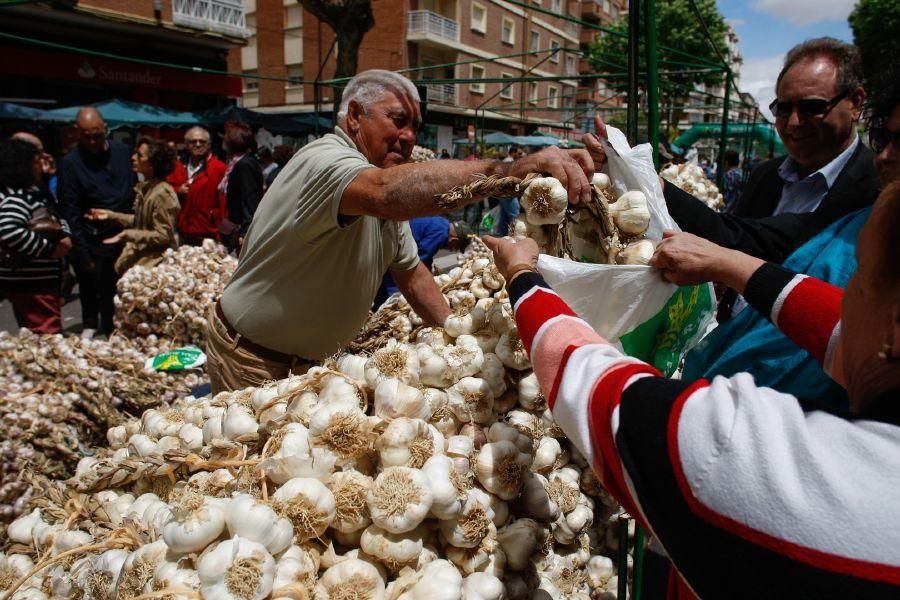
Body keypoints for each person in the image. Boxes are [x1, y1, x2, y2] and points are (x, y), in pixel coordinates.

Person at [482, 178, 900, 597]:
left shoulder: (757, 458)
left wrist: (522, 276)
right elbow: (837, 330)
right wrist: (729, 265)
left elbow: (604, 396)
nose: (844, 293)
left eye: (859, 274)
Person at [206, 69, 592, 393]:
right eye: (398, 120)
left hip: (308, 368)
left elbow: (412, 275)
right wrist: (506, 173)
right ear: (355, 116)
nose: (409, 137)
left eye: (416, 128)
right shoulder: (325, 161)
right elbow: (385, 194)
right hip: (250, 361)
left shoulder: (375, 185)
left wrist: (459, 338)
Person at [728, 38, 876, 219]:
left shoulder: (880, 186)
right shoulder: (763, 176)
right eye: (783, 108)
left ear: (855, 103)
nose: (793, 122)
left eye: (811, 107)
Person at [57, 107, 135, 334]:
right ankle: (91, 322)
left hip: (124, 231)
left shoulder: (121, 152)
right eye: (86, 136)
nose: (92, 141)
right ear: (77, 133)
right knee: (91, 282)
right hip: (91, 235)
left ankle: (117, 325)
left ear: (105, 129)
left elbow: (131, 190)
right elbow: (69, 208)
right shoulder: (70, 162)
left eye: (96, 135)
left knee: (120, 286)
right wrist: (80, 250)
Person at [0, 138, 72, 333]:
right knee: (46, 337)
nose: (42, 165)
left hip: (35, 284)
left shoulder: (32, 193)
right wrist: (49, 250)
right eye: (36, 161)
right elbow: (8, 229)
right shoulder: (18, 198)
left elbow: (55, 215)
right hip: (34, 285)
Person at [84, 139, 179, 275]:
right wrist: (111, 215)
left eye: (140, 155)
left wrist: (129, 235)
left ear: (152, 164)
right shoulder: (148, 189)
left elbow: (163, 235)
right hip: (141, 260)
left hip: (154, 266)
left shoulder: (162, 194)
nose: (133, 158)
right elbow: (142, 221)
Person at [373, 217, 473, 307]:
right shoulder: (441, 234)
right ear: (454, 240)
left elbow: (426, 256)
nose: (452, 250)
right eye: (456, 248)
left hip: (387, 245)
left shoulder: (442, 223)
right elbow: (420, 257)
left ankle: (376, 312)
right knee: (395, 295)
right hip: (395, 254)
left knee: (381, 287)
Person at [167, 126, 227, 246]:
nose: (198, 144)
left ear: (209, 144)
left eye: (202, 141)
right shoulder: (177, 166)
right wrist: (178, 190)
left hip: (208, 232)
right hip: (182, 230)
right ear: (186, 144)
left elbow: (225, 202)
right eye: (193, 141)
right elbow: (166, 187)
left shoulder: (219, 168)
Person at [218, 120, 263, 252]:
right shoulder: (238, 162)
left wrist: (246, 232)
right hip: (235, 224)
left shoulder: (244, 165)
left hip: (240, 228)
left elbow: (250, 198)